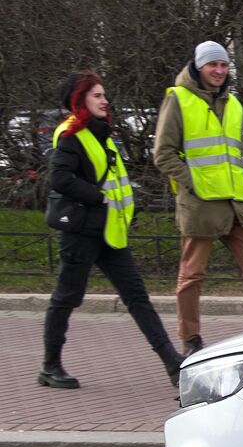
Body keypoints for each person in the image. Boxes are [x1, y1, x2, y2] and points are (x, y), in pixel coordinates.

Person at [39, 71, 185, 389]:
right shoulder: (70, 135)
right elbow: (59, 179)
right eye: (97, 95)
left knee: (138, 298)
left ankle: (173, 364)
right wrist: (98, 197)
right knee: (67, 298)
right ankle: (50, 367)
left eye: (104, 95)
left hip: (110, 233)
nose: (105, 101)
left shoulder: (102, 133)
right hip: (80, 233)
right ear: (80, 100)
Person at [154, 41, 243, 354]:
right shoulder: (178, 99)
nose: (219, 71)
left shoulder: (235, 104)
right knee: (192, 276)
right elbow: (163, 154)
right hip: (200, 203)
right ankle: (191, 341)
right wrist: (193, 183)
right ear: (199, 67)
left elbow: (231, 155)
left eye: (224, 65)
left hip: (238, 200)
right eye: (213, 65)